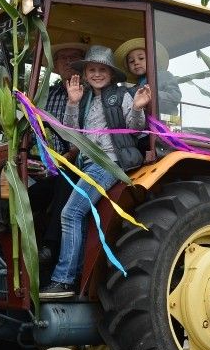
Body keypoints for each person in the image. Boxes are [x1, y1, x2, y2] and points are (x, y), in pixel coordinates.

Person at [39, 45, 151, 298]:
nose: (97, 74)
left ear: (111, 74)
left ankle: (64, 279)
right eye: (92, 69)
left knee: (70, 213)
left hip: (109, 163)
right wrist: (72, 102)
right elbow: (71, 133)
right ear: (86, 73)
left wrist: (137, 107)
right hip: (87, 165)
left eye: (102, 70)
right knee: (64, 208)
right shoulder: (86, 98)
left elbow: (134, 129)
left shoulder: (121, 96)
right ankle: (74, 274)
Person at [29, 42, 87, 267]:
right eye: (63, 58)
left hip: (78, 163)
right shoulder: (48, 94)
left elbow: (85, 139)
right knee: (29, 197)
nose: (68, 62)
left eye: (74, 57)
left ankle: (50, 248)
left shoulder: (89, 93)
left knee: (65, 183)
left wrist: (64, 160)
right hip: (51, 163)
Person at [113, 38, 182, 116]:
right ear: (128, 67)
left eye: (141, 58)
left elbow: (175, 97)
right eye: (132, 61)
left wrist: (149, 95)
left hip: (164, 122)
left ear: (152, 59)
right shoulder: (134, 89)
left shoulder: (164, 75)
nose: (136, 63)